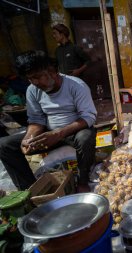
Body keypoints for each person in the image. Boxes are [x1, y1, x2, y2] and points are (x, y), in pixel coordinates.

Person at [0, 50, 97, 192]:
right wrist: (29, 138)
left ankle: (83, 181)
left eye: (38, 77)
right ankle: (31, 190)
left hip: (74, 131)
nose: (34, 82)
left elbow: (89, 117)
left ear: (53, 72)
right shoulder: (32, 90)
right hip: (49, 134)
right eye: (30, 79)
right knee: (4, 145)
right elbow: (36, 120)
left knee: (85, 137)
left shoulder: (76, 85)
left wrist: (58, 134)